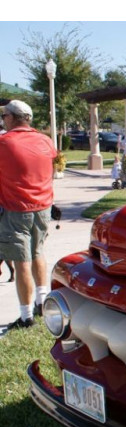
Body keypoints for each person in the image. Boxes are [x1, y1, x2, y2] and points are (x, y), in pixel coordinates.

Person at [0, 100, 58, 330]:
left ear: (13, 118)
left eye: (4, 115)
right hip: (43, 208)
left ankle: (26, 317)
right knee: (37, 253)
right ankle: (42, 303)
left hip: (16, 210)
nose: (3, 119)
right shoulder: (45, 140)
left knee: (21, 260)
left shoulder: (4, 142)